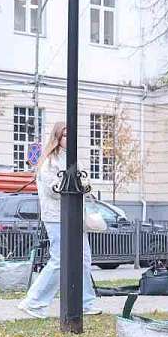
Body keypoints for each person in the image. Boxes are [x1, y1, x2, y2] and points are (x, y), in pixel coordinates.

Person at [17, 122, 101, 319]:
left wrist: (83, 186)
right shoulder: (48, 161)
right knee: (60, 259)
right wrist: (75, 185)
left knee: (84, 259)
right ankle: (34, 302)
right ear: (57, 137)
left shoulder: (74, 160)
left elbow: (85, 183)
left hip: (76, 215)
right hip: (56, 216)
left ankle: (86, 302)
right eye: (65, 135)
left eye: (71, 136)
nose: (68, 140)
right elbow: (54, 190)